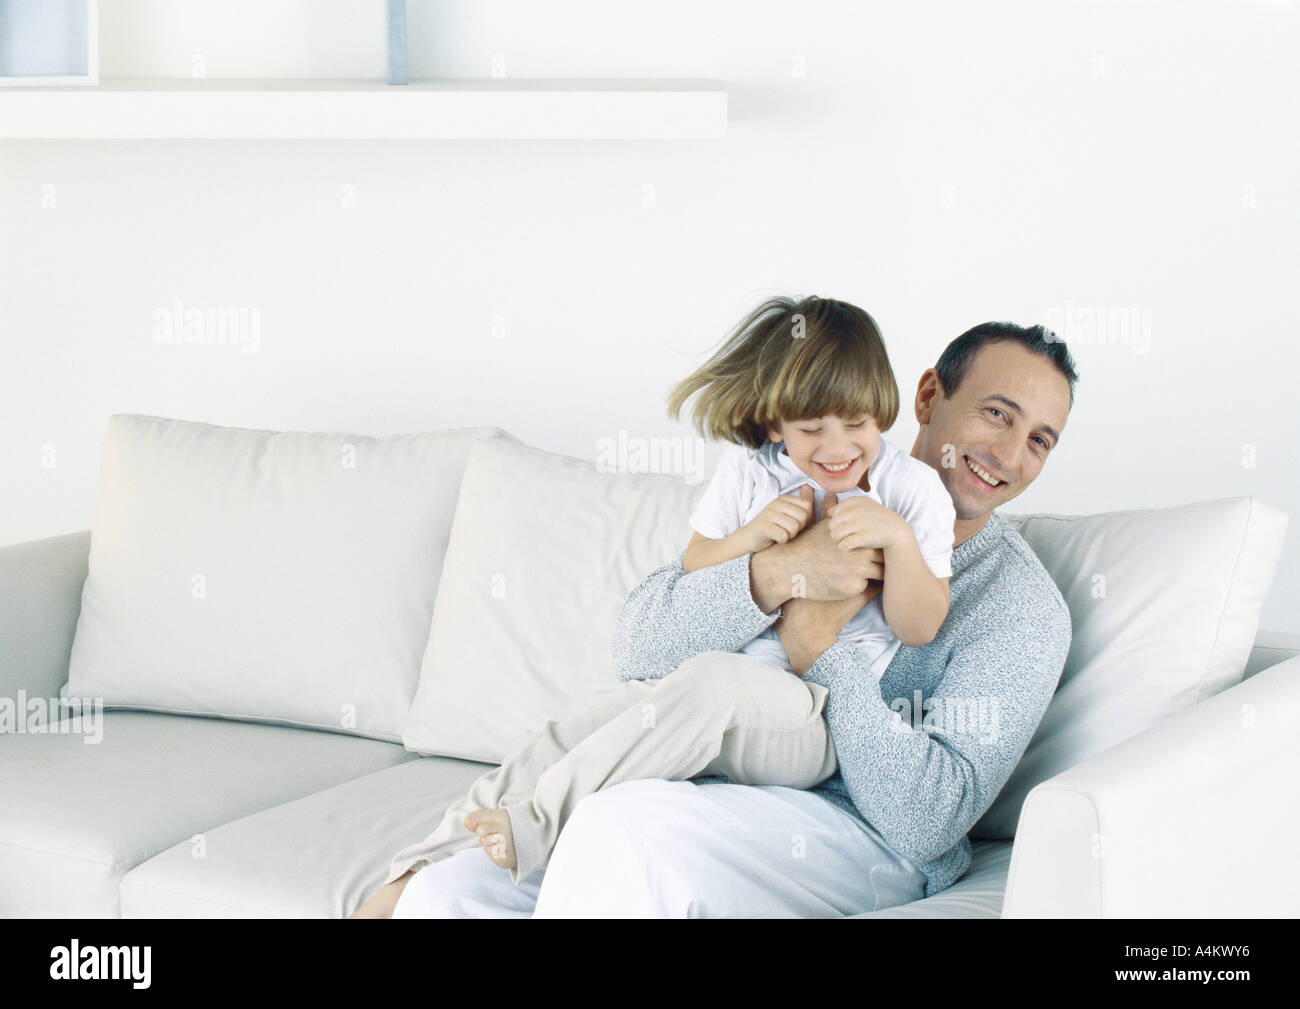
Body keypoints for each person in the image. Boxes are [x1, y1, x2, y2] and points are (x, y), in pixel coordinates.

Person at [358, 316, 1077, 918]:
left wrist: (821, 649)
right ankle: (417, 869)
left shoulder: (1022, 611)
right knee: (447, 892)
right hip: (714, 769)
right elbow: (640, 646)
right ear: (927, 395)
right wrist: (777, 572)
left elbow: (930, 820)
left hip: (858, 829)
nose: (1009, 453)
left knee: (617, 829)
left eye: (1039, 439)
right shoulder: (791, 482)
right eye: (997, 413)